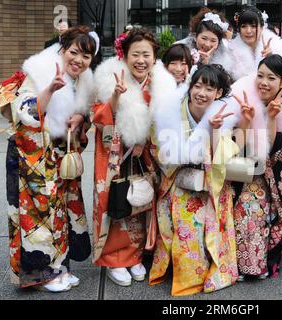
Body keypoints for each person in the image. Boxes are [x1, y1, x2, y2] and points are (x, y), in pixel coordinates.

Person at [10, 26, 98, 292]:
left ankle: (59, 267)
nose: (79, 60)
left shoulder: (83, 81)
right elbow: (23, 112)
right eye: (74, 52)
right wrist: (49, 89)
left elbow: (86, 115)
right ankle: (41, 274)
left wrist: (81, 118)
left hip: (60, 158)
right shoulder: (38, 72)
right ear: (62, 49)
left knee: (60, 215)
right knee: (39, 215)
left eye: (86, 56)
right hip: (34, 159)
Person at [92, 28, 177, 286]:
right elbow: (99, 118)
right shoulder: (110, 79)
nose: (141, 60)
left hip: (146, 157)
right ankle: (113, 258)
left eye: (146, 55)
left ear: (154, 58)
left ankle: (135, 255)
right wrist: (116, 97)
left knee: (140, 205)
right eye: (135, 54)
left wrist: (147, 140)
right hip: (116, 156)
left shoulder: (161, 83)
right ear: (125, 55)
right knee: (116, 202)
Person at [149, 64, 239, 296]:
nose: (201, 93)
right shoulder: (172, 111)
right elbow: (159, 148)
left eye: (209, 88)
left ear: (218, 93)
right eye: (197, 86)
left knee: (212, 214)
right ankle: (189, 275)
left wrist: (216, 130)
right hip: (178, 178)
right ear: (190, 87)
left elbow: (225, 156)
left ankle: (212, 267)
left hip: (212, 180)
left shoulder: (224, 113)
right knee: (186, 218)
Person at [229, 54, 282, 279]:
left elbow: (271, 148)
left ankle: (255, 264)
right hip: (241, 170)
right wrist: (246, 121)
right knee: (242, 211)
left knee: (255, 212)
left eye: (271, 78)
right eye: (260, 76)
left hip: (267, 176)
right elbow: (235, 146)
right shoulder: (243, 97)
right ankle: (236, 265)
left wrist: (270, 118)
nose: (264, 82)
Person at [229, 6, 282, 81]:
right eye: (243, 26)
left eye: (253, 26)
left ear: (262, 27)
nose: (248, 31)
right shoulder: (230, 51)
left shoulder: (277, 47)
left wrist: (272, 59)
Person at [177, 7, 233, 72]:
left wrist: (206, 64)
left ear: (219, 42)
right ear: (195, 37)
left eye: (213, 40)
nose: (207, 44)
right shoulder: (180, 51)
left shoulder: (226, 60)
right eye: (204, 38)